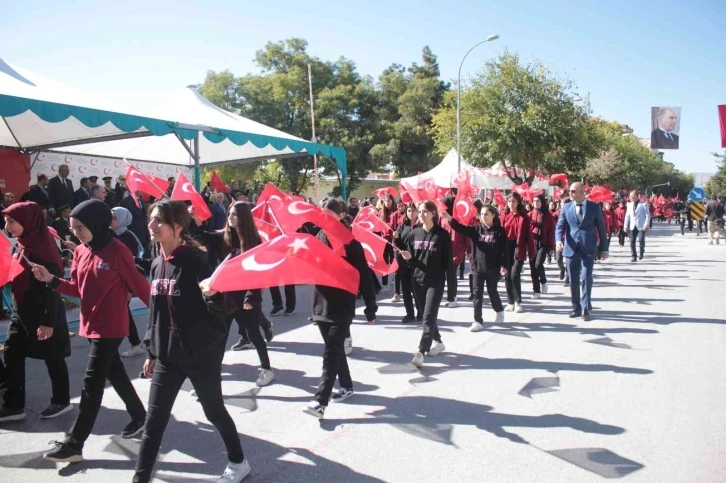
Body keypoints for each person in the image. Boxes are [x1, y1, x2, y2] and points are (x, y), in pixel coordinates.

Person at [132, 200, 250, 482]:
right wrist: (151, 350)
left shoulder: (194, 260)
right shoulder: (158, 263)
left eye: (158, 221)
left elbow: (220, 310)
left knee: (214, 411)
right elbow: (155, 312)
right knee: (154, 422)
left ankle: (238, 462)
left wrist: (213, 295)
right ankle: (140, 478)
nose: (151, 225)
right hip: (167, 357)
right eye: (151, 219)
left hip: (199, 355)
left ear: (177, 227)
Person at [33, 200, 149, 463]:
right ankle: (141, 416)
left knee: (91, 384)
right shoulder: (81, 252)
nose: (76, 233)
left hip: (111, 326)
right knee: (115, 372)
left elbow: (140, 287)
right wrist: (50, 280)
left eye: (81, 228)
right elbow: (77, 289)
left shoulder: (118, 251)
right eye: (73, 228)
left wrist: (167, 319)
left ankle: (74, 443)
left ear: (97, 224)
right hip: (91, 323)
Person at [303, 199, 377, 419]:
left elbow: (365, 276)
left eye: (328, 214)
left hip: (342, 306)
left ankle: (320, 402)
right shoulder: (318, 237)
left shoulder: (351, 244)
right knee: (334, 351)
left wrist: (370, 308)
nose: (323, 218)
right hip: (321, 303)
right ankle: (347, 386)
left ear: (341, 215)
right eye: (321, 214)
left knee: (330, 353)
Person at [0, 202, 71, 423]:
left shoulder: (43, 249)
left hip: (43, 313)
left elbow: (53, 288)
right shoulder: (23, 244)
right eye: (6, 220)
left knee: (53, 358)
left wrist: (48, 322)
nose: (7, 225)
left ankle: (61, 400)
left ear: (27, 221)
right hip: (22, 312)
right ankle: (13, 404)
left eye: (11, 221)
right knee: (12, 352)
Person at [220, 202, 275, 387]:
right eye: (229, 214)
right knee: (220, 336)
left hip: (245, 298)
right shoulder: (224, 238)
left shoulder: (254, 242)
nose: (230, 217)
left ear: (243, 218)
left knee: (254, 335)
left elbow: (258, 273)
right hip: (226, 296)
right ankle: (212, 373)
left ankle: (267, 369)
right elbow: (201, 237)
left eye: (234, 214)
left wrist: (251, 297)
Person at [400, 200, 451, 368]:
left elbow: (448, 264)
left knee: (428, 316)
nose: (421, 215)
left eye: (424, 212)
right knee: (426, 316)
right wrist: (409, 259)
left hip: (435, 282)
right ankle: (439, 341)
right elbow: (413, 261)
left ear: (433, 214)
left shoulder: (442, 235)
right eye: (419, 212)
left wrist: (452, 291)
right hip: (418, 281)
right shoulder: (414, 234)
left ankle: (421, 351)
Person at [442, 205, 508, 332]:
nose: (483, 217)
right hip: (477, 268)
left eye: (486, 214)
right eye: (481, 214)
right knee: (477, 295)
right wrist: (450, 219)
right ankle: (478, 321)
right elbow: (461, 229)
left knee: (492, 292)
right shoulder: (475, 230)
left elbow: (504, 251)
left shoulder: (499, 231)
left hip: (493, 268)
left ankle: (499, 310)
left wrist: (504, 266)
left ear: (493, 215)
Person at [555, 182, 609, 321]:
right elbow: (560, 226)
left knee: (586, 277)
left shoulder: (594, 207)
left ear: (582, 191)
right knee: (573, 279)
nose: (571, 193)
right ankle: (576, 307)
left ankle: (586, 307)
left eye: (573, 191)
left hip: (588, 248)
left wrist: (604, 249)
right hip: (571, 248)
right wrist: (558, 240)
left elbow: (601, 229)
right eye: (570, 191)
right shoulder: (566, 207)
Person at [110, 207, 147, 359]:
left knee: (121, 313)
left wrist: (130, 290)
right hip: (113, 281)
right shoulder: (108, 234)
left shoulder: (128, 237)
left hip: (124, 283)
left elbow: (132, 265)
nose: (110, 220)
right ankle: (134, 344)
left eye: (114, 217)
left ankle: (135, 344)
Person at [500, 193, 530, 313]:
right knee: (507, 275)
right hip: (506, 248)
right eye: (509, 201)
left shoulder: (524, 217)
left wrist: (531, 251)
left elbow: (528, 236)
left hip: (519, 247)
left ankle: (518, 302)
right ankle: (510, 301)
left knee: (514, 274)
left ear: (518, 202)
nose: (511, 204)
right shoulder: (503, 216)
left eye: (513, 201)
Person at [393, 202, 421, 324]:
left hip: (416, 263)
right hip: (403, 263)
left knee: (416, 289)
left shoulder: (421, 226)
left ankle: (420, 311)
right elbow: (398, 245)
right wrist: (396, 238)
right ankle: (409, 313)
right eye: (409, 211)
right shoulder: (402, 226)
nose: (411, 213)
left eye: (413, 211)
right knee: (405, 289)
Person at [440, 196, 468, 308]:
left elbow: (466, 234)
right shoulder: (442, 217)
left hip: (457, 250)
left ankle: (453, 298)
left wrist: (468, 250)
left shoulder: (460, 218)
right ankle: (449, 296)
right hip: (445, 249)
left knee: (451, 275)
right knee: (446, 275)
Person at [528, 194, 554, 298]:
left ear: (542, 202)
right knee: (532, 268)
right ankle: (536, 291)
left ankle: (543, 281)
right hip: (532, 244)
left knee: (538, 264)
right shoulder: (530, 214)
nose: (536, 203)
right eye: (534, 201)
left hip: (544, 244)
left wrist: (552, 246)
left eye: (538, 201)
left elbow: (551, 231)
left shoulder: (547, 214)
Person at [624, 190, 651, 262]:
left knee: (641, 240)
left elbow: (647, 215)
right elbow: (627, 216)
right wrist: (625, 226)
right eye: (630, 196)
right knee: (632, 241)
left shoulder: (643, 204)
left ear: (636, 196)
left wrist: (646, 225)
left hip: (641, 226)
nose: (630, 197)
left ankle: (641, 252)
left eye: (632, 196)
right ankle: (634, 256)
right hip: (632, 226)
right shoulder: (629, 205)